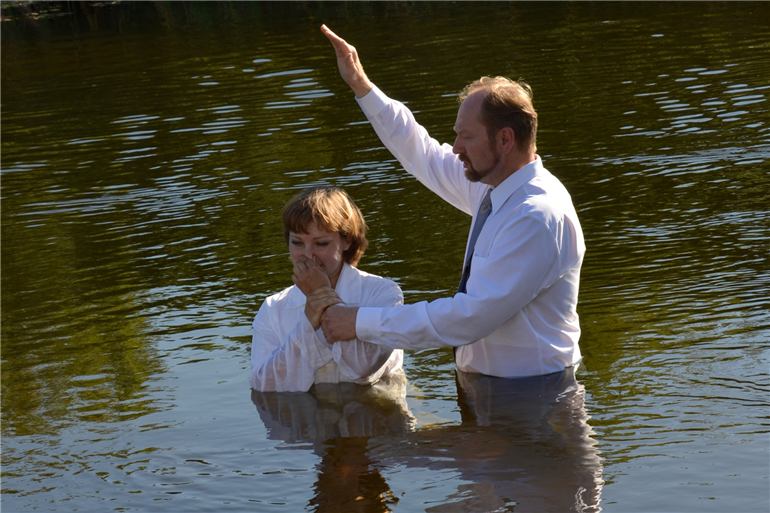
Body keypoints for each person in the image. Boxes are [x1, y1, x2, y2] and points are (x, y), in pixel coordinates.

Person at [319, 25, 586, 378]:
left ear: (505, 140)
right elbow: (420, 150)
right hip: (497, 391)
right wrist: (362, 86)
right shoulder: (493, 187)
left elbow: (470, 317)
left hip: (535, 397)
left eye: (467, 136)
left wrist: (359, 321)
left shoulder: (536, 215)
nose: (457, 148)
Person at [250, 186, 404, 392]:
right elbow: (264, 385)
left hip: (380, 412)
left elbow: (363, 369)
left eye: (321, 243)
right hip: (307, 419)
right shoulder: (273, 307)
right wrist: (307, 325)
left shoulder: (383, 293)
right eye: (297, 242)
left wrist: (322, 298)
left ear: (347, 240)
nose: (308, 255)